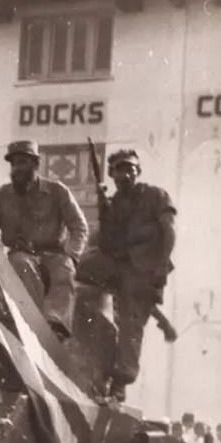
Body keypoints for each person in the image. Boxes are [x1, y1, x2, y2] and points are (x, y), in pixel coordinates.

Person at [76, 149, 177, 401]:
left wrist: (162, 266)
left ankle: (121, 382)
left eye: (130, 168)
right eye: (119, 170)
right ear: (112, 175)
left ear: (138, 171)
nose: (125, 174)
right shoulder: (114, 203)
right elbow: (108, 244)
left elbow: (169, 230)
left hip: (145, 269)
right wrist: (103, 208)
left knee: (131, 325)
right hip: (119, 265)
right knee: (74, 267)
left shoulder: (155, 195)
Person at [0, 140, 89, 338]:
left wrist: (72, 254)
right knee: (20, 265)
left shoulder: (58, 191)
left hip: (54, 253)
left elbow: (79, 226)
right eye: (14, 164)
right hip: (21, 252)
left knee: (64, 272)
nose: (17, 169)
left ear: (35, 164)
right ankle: (30, 324)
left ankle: (55, 325)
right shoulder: (4, 194)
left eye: (23, 162)